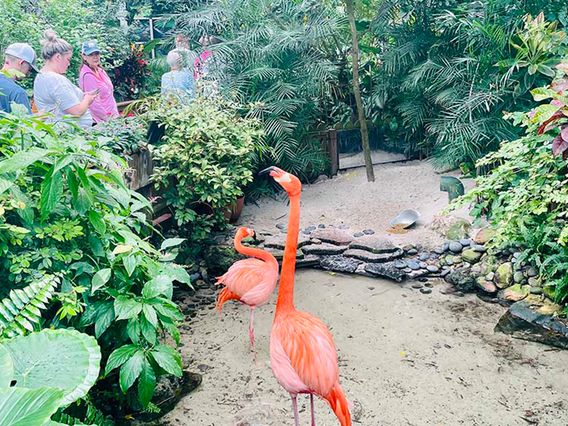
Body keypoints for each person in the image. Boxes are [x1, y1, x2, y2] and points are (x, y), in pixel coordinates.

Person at [33, 30, 96, 129]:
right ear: (58, 57)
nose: (69, 64)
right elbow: (77, 111)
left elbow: (62, 100)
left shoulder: (41, 76)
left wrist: (81, 96)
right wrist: (88, 100)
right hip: (69, 135)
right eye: (68, 59)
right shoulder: (55, 80)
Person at [78, 41, 118, 123]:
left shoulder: (100, 70)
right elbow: (93, 104)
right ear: (84, 56)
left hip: (112, 117)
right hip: (100, 122)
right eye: (91, 54)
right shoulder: (87, 75)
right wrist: (108, 119)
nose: (95, 57)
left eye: (96, 53)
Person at [0, 43, 39, 114]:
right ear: (21, 63)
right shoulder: (17, 93)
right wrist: (41, 117)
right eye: (29, 69)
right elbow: (26, 124)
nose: (28, 74)